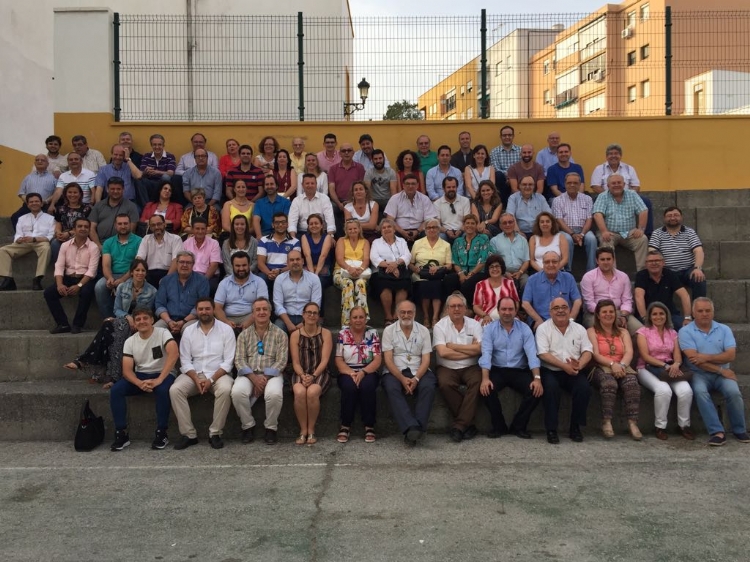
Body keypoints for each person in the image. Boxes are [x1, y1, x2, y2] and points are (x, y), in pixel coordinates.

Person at [64, 258, 156, 385]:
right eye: (137, 270)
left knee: (111, 327)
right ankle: (112, 376)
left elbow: (147, 314)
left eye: (143, 270)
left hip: (140, 324)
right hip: (124, 321)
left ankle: (85, 362)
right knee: (112, 327)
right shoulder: (122, 287)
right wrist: (127, 317)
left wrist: (134, 320)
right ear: (131, 272)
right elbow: (117, 309)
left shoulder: (152, 291)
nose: (140, 273)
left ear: (146, 273)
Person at [679, 297, 749, 446]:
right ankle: (717, 432)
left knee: (734, 392)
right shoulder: (685, 331)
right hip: (699, 373)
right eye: (700, 311)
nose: (704, 314)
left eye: (708, 310)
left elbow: (730, 355)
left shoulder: (724, 329)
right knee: (700, 393)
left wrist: (705, 357)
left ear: (713, 312)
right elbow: (694, 360)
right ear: (693, 313)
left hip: (723, 372)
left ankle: (739, 430)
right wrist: (720, 369)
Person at [109, 307, 179, 451]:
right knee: (116, 390)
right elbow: (127, 370)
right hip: (141, 375)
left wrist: (159, 379)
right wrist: (139, 383)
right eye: (138, 319)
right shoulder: (130, 341)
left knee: (162, 390)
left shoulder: (163, 333)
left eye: (145, 318)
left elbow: (174, 354)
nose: (142, 322)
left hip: (164, 373)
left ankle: (162, 433)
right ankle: (121, 433)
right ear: (134, 323)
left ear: (152, 320)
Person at [171, 297, 236, 450]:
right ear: (197, 311)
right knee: (175, 390)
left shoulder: (226, 329)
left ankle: (215, 433)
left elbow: (228, 361)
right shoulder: (188, 331)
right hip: (194, 373)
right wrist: (195, 378)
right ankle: (189, 435)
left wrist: (211, 380)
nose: (204, 312)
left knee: (226, 389)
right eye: (201, 309)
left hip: (218, 374)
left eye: (207, 308)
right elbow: (185, 360)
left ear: (213, 310)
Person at [479, 297, 542, 439]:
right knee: (486, 390)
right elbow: (486, 354)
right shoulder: (489, 329)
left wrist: (537, 378)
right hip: (497, 369)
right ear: (498, 310)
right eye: (503, 309)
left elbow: (532, 354)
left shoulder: (524, 328)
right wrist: (485, 378)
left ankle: (518, 427)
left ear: (515, 310)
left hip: (519, 370)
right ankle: (499, 426)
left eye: (510, 309)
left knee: (535, 391)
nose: (507, 312)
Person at [231, 297, 288, 445]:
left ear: (270, 312)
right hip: (249, 373)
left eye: (265, 309)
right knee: (237, 392)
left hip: (272, 375)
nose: (261, 312)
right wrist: (254, 378)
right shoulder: (244, 335)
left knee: (274, 394)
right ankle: (247, 426)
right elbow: (239, 359)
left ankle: (271, 428)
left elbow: (282, 360)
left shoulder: (280, 334)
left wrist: (264, 378)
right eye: (258, 310)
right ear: (253, 313)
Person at [536, 298, 593, 444]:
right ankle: (551, 430)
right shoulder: (543, 328)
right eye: (556, 308)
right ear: (550, 312)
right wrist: (564, 366)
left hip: (573, 370)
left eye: (564, 307)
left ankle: (575, 428)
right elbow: (543, 354)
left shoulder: (579, 329)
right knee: (551, 389)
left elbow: (587, 351)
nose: (560, 310)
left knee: (584, 388)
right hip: (550, 369)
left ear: (569, 310)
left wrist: (579, 365)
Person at [635, 302, 695, 441]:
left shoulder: (673, 333)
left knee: (686, 390)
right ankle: (660, 426)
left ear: (666, 315)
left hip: (669, 367)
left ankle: (684, 426)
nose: (658, 317)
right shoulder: (643, 332)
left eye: (661, 314)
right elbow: (645, 356)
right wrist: (664, 365)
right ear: (650, 316)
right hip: (647, 368)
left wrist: (676, 364)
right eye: (654, 314)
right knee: (664, 390)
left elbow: (677, 355)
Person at [381, 300, 437, 446]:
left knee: (428, 386)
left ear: (415, 313)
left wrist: (416, 378)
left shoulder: (423, 330)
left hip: (418, 368)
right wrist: (401, 378)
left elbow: (426, 359)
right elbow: (388, 360)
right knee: (391, 387)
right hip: (396, 370)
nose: (406, 315)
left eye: (409, 312)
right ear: (397, 314)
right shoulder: (389, 331)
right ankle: (413, 427)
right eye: (403, 312)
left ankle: (413, 430)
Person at [586, 299, 642, 440]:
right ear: (598, 315)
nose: (608, 314)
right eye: (604, 312)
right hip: (601, 366)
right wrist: (612, 364)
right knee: (609, 383)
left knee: (632, 383)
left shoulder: (623, 332)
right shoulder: (591, 331)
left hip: (622, 365)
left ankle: (633, 423)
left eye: (611, 311)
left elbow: (629, 352)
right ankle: (607, 421)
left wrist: (621, 365)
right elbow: (595, 354)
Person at [433, 293, 483, 442]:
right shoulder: (439, 326)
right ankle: (468, 424)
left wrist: (453, 346)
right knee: (445, 383)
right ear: (447, 309)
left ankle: (459, 426)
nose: (456, 309)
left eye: (459, 306)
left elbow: (479, 349)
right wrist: (469, 350)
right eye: (453, 306)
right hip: (447, 367)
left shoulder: (475, 324)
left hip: (471, 366)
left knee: (477, 382)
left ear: (465, 308)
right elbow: (443, 352)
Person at [335, 306, 382, 444]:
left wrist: (363, 372)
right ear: (350, 320)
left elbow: (377, 359)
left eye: (361, 317)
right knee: (349, 387)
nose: (358, 320)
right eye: (355, 317)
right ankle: (345, 425)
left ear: (365, 319)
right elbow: (338, 359)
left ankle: (369, 426)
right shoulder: (343, 333)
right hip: (347, 371)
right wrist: (351, 373)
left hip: (368, 370)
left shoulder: (372, 333)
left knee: (367, 387)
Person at [44, 217, 99, 334]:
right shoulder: (65, 245)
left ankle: (77, 324)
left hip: (85, 279)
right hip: (68, 278)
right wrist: (59, 284)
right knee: (49, 293)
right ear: (74, 229)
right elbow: (59, 266)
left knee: (86, 292)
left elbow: (92, 271)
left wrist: (79, 286)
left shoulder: (93, 247)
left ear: (89, 230)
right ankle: (63, 324)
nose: (83, 229)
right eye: (80, 226)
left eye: (86, 227)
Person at [289, 302, 333, 445]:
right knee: (299, 391)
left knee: (312, 392)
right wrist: (303, 376)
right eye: (309, 312)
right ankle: (303, 430)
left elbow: (325, 360)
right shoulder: (295, 335)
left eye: (315, 313)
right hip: (300, 372)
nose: (311, 315)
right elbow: (295, 362)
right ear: (303, 314)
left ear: (318, 316)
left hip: (320, 372)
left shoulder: (325, 333)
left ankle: (311, 429)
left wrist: (313, 376)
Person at [590, 143, 653, 235]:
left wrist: (628, 195)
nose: (613, 156)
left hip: (627, 196)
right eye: (610, 154)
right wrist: (610, 194)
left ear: (620, 156)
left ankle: (647, 234)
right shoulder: (599, 168)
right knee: (594, 202)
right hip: (605, 196)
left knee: (646, 202)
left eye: (616, 153)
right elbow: (595, 186)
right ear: (606, 156)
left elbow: (636, 186)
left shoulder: (629, 168)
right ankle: (600, 232)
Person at [592, 174, 648, 271]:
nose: (616, 185)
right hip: (610, 232)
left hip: (630, 232)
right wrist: (604, 231)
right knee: (605, 241)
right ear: (608, 186)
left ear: (624, 184)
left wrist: (640, 229)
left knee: (643, 239)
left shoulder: (632, 194)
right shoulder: (602, 196)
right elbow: (597, 214)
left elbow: (643, 211)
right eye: (613, 183)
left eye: (619, 182)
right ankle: (611, 273)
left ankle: (642, 272)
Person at [0, 193, 55, 291]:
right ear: (28, 204)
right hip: (24, 243)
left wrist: (35, 239)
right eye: (31, 202)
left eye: (36, 201)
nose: (34, 203)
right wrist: (19, 239)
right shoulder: (22, 218)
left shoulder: (50, 218)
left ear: (41, 203)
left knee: (46, 248)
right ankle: (8, 280)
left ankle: (38, 278)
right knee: (3, 250)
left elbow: (51, 236)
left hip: (41, 242)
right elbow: (18, 234)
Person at [649, 206, 706, 299]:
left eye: (676, 215)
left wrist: (697, 268)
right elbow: (652, 251)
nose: (672, 218)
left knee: (698, 278)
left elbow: (698, 250)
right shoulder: (657, 233)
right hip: (666, 271)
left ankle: (698, 306)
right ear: (664, 218)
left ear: (681, 217)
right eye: (669, 216)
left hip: (687, 270)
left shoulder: (690, 232)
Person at [581, 247, 642, 334]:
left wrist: (623, 315)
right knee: (600, 328)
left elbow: (627, 301)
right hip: (595, 314)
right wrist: (606, 314)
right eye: (602, 259)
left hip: (620, 312)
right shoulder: (588, 277)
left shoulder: (623, 277)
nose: (606, 262)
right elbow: (589, 303)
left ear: (613, 260)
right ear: (597, 261)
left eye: (608, 259)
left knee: (640, 331)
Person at [94, 213, 142, 318]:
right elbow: (106, 265)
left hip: (132, 275)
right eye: (120, 224)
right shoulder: (108, 242)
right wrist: (109, 278)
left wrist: (123, 279)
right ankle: (109, 319)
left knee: (123, 287)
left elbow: (137, 265)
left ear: (130, 224)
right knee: (99, 286)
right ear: (115, 226)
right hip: (113, 274)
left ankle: (124, 319)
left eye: (125, 223)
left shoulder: (139, 241)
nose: (123, 226)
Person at [154, 250, 210, 335]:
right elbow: (159, 304)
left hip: (191, 319)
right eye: (182, 262)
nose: (184, 265)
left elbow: (202, 306)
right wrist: (169, 321)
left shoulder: (202, 281)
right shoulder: (166, 280)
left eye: (188, 263)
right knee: (155, 331)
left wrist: (184, 321)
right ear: (176, 263)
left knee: (189, 332)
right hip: (168, 319)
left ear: (193, 264)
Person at [408, 218, 452, 328]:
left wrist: (439, 268)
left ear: (439, 229)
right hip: (421, 274)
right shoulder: (418, 243)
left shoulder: (446, 245)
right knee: (424, 285)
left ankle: (435, 317)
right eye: (429, 227)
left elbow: (449, 265)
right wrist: (416, 269)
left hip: (438, 275)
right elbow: (410, 263)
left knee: (436, 284)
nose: (431, 230)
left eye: (434, 227)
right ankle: (426, 317)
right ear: (425, 229)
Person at [522, 251, 582, 329]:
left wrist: (570, 320)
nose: (551, 265)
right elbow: (525, 303)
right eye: (547, 262)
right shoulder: (532, 280)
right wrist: (538, 320)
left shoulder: (568, 278)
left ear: (559, 263)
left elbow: (577, 301)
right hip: (541, 321)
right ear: (543, 264)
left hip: (564, 321)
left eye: (554, 262)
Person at [551, 172, 596, 272]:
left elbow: (589, 219)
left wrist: (582, 234)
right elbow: (559, 220)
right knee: (567, 239)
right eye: (569, 183)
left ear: (580, 185)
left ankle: (591, 271)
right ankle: (567, 270)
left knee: (592, 239)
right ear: (565, 184)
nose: (572, 185)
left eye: (575, 183)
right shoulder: (557, 200)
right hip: (565, 231)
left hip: (584, 230)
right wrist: (572, 234)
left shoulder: (587, 199)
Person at [634, 249, 692, 328]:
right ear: (646, 264)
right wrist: (645, 319)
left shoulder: (670, 274)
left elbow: (684, 295)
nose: (654, 263)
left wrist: (687, 317)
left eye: (657, 260)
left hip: (669, 314)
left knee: (686, 328)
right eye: (650, 261)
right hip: (648, 315)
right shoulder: (641, 276)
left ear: (663, 262)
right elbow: (639, 297)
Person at [214, 251, 268, 334]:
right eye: (238, 266)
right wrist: (226, 322)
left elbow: (263, 306)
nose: (241, 268)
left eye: (244, 265)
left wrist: (248, 323)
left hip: (251, 317)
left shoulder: (259, 282)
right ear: (232, 266)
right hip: (228, 317)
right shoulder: (224, 283)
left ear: (249, 265)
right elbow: (217, 308)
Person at [371, 218, 411, 326]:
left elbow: (407, 255)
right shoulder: (376, 242)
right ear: (381, 231)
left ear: (394, 229)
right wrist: (391, 266)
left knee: (404, 284)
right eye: (383, 228)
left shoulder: (402, 241)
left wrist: (396, 264)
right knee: (384, 285)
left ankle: (396, 315)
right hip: (382, 270)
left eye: (389, 227)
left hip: (400, 268)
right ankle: (388, 316)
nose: (386, 229)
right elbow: (374, 258)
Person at [272, 249, 322, 334]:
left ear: (303, 261)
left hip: (308, 316)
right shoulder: (280, 279)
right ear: (287, 263)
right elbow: (278, 304)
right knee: (277, 328)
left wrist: (304, 323)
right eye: (292, 260)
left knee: (315, 328)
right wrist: (288, 323)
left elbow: (315, 304)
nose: (295, 262)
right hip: (286, 317)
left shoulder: (314, 279)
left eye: (298, 259)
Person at [383, 174, 438, 245]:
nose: (410, 186)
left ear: (417, 185)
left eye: (413, 184)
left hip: (420, 231)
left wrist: (417, 231)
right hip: (399, 231)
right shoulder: (395, 198)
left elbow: (429, 220)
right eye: (407, 184)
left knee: (430, 232)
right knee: (390, 232)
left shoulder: (424, 199)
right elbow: (390, 220)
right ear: (403, 185)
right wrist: (402, 232)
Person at [88, 178, 140, 248]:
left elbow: (131, 230)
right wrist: (98, 246)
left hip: (122, 246)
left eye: (118, 189)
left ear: (123, 190)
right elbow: (91, 228)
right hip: (99, 244)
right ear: (107, 189)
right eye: (112, 189)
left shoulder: (131, 206)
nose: (115, 191)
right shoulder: (98, 205)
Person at [451, 214, 490, 305]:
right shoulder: (458, 241)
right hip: (462, 271)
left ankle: (468, 307)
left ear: (476, 225)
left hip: (478, 272)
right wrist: (461, 274)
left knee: (467, 284)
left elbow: (483, 260)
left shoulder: (483, 238)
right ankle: (451, 306)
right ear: (463, 225)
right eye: (467, 223)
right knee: (449, 280)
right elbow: (455, 261)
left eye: (473, 223)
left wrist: (471, 274)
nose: (470, 225)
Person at [256, 212, 300, 293]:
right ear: (272, 225)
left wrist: (280, 271)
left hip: (287, 272)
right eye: (277, 222)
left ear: (287, 224)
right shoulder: (264, 240)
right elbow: (260, 263)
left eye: (283, 222)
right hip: (267, 272)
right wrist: (269, 273)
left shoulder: (295, 242)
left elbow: (295, 262)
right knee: (261, 279)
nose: (280, 225)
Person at [136, 214, 184, 287]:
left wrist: (167, 279)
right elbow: (140, 258)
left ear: (165, 224)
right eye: (153, 225)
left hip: (169, 273)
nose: (156, 227)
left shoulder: (175, 239)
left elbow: (176, 260)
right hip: (149, 274)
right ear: (150, 227)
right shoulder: (146, 239)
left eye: (159, 224)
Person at [50, 182, 92, 266]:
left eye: (75, 192)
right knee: (54, 243)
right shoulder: (60, 208)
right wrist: (58, 233)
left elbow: (87, 226)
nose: (72, 195)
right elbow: (58, 223)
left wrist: (69, 233)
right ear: (65, 194)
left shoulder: (87, 209)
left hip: (80, 235)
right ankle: (59, 267)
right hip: (64, 235)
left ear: (80, 194)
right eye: (70, 192)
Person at [328, 142, 365, 234]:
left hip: (355, 200)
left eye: (349, 150)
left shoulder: (359, 168)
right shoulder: (333, 169)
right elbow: (331, 188)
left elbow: (361, 187)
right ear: (340, 154)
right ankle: (338, 236)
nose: (346, 153)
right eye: (344, 151)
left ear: (353, 153)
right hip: (338, 201)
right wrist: (338, 203)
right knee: (331, 208)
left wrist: (351, 201)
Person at [12, 154, 56, 229]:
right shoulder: (28, 177)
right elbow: (21, 193)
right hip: (28, 206)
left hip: (44, 206)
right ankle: (21, 235)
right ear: (35, 163)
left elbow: (56, 193)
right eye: (37, 160)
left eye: (42, 160)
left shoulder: (53, 178)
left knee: (45, 222)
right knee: (15, 217)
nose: (39, 161)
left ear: (47, 164)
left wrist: (46, 201)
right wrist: (29, 202)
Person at [472, 255, 519, 326]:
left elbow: (516, 303)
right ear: (488, 269)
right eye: (491, 267)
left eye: (497, 266)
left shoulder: (510, 283)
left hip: (508, 316)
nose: (494, 269)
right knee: (486, 327)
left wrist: (509, 315)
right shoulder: (480, 285)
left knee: (516, 326)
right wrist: (485, 315)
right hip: (487, 318)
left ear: (502, 268)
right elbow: (476, 307)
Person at [489, 213, 530, 295]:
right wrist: (504, 273)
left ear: (514, 223)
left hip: (521, 272)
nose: (508, 225)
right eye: (504, 223)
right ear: (500, 226)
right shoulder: (494, 241)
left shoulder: (523, 240)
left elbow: (526, 260)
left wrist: (520, 272)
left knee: (527, 282)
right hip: (502, 273)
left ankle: (525, 303)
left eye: (510, 222)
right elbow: (493, 262)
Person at [288, 173, 336, 238]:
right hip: (302, 232)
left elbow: (330, 219)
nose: (310, 185)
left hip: (321, 232)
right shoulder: (296, 200)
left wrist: (330, 235)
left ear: (316, 185)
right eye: (307, 183)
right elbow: (292, 221)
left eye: (312, 183)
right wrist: (293, 238)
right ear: (302, 185)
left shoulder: (324, 199)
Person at [182, 217, 222, 294]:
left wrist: (203, 280)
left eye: (203, 229)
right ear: (192, 229)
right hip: (190, 276)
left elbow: (214, 265)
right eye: (197, 229)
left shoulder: (214, 243)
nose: (200, 231)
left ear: (206, 230)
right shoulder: (186, 243)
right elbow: (184, 263)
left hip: (209, 277)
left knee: (209, 288)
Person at [300, 213, 333, 298]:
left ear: (322, 225)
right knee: (305, 284)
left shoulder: (327, 237)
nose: (314, 226)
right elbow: (307, 255)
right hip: (308, 268)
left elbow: (323, 256)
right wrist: (312, 274)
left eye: (316, 223)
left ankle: (317, 306)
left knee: (318, 283)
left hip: (323, 269)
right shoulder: (304, 237)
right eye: (311, 224)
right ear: (308, 226)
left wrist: (316, 274)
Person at [138, 134, 177, 202]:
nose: (157, 147)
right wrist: (146, 171)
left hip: (162, 182)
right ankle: (146, 204)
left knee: (166, 177)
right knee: (139, 180)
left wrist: (157, 172)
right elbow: (141, 173)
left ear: (163, 145)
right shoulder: (146, 156)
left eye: (159, 145)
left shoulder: (170, 156)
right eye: (154, 145)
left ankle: (163, 201)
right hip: (150, 182)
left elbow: (171, 173)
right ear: (151, 145)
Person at [253, 174, 292, 239]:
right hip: (264, 236)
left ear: (277, 186)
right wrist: (259, 236)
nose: (269, 186)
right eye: (267, 184)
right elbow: (256, 220)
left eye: (271, 184)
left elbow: (286, 221)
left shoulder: (286, 202)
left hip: (281, 235)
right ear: (264, 187)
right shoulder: (259, 203)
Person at [434, 177, 471, 244]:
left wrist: (460, 231)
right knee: (440, 237)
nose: (451, 189)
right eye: (448, 187)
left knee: (467, 234)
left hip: (462, 231)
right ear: (443, 188)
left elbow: (467, 221)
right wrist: (446, 231)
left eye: (454, 187)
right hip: (445, 232)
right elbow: (437, 224)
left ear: (457, 187)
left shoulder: (465, 201)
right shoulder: (437, 203)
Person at [363, 149, 397, 213]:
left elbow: (393, 190)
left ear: (384, 159)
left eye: (380, 158)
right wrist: (369, 204)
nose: (378, 161)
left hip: (387, 200)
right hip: (374, 200)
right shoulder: (369, 172)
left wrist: (393, 204)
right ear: (372, 160)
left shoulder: (391, 172)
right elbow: (367, 189)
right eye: (375, 159)